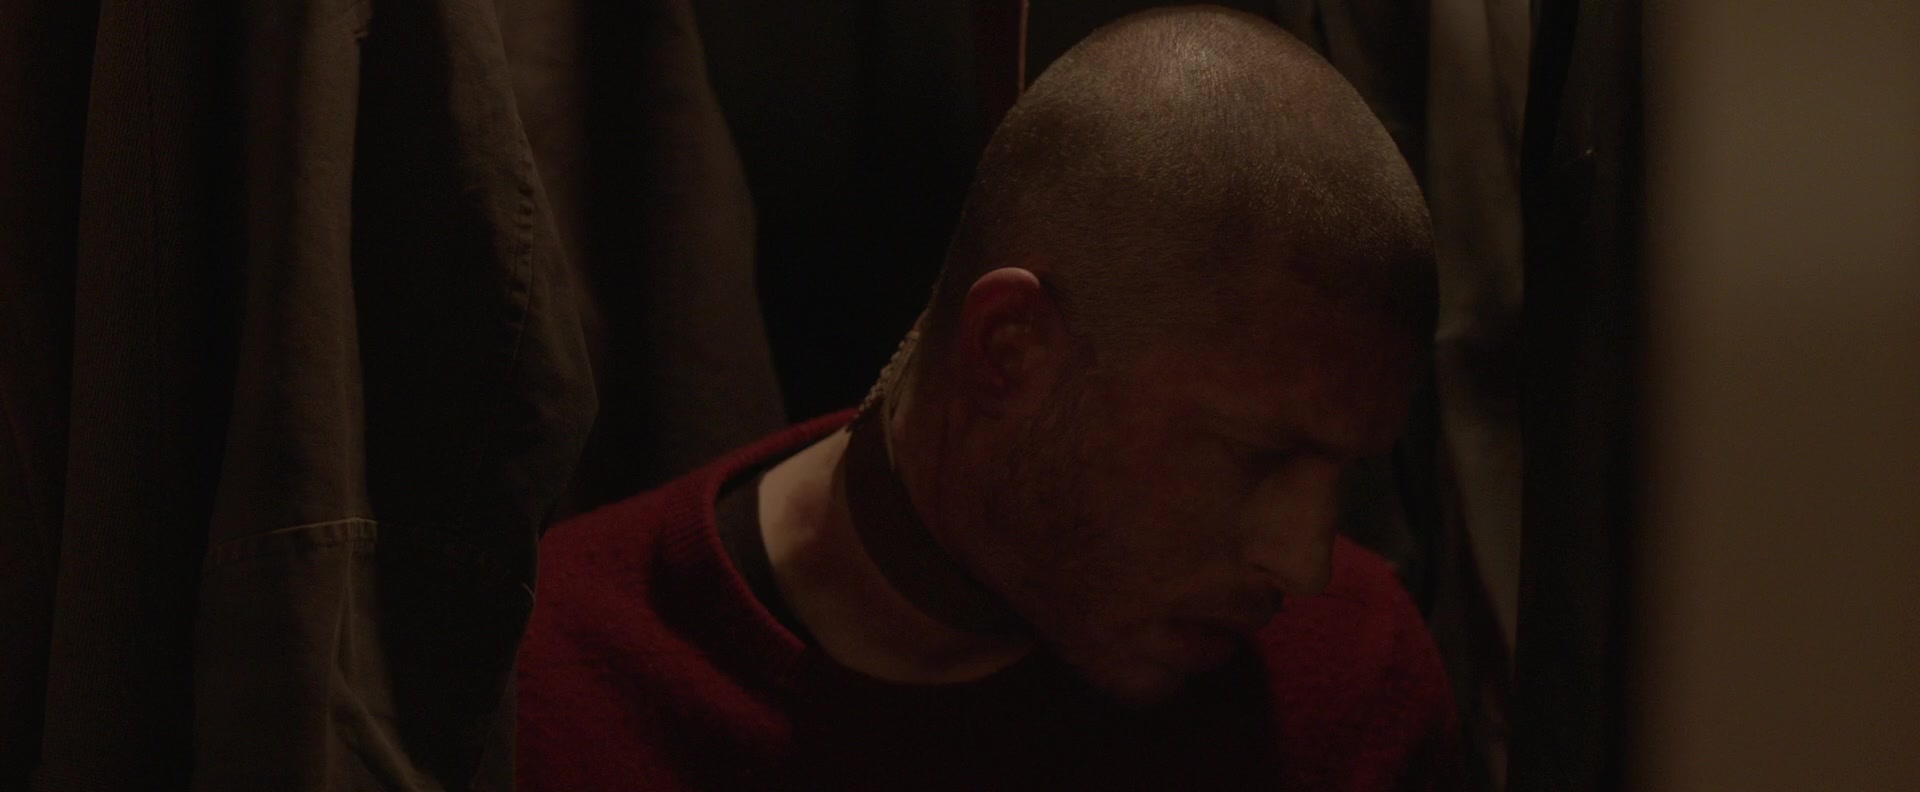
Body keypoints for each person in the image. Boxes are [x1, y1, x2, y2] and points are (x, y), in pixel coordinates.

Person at [516, 6, 1457, 790]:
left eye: (1342, 470)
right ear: (1013, 350)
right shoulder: (557, 690)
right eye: (1258, 458)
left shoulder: (1351, 677)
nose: (1304, 563)